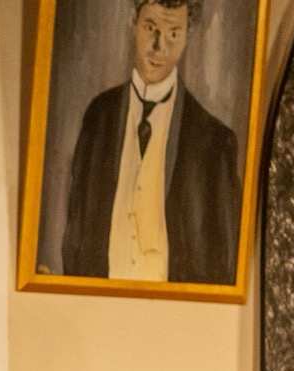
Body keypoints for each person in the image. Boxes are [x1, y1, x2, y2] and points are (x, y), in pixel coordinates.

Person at [61, 0, 240, 284]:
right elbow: (76, 230)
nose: (159, 47)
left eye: (173, 33)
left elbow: (224, 262)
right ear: (133, 21)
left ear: (188, 34)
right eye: (150, 28)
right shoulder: (98, 116)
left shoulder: (215, 142)